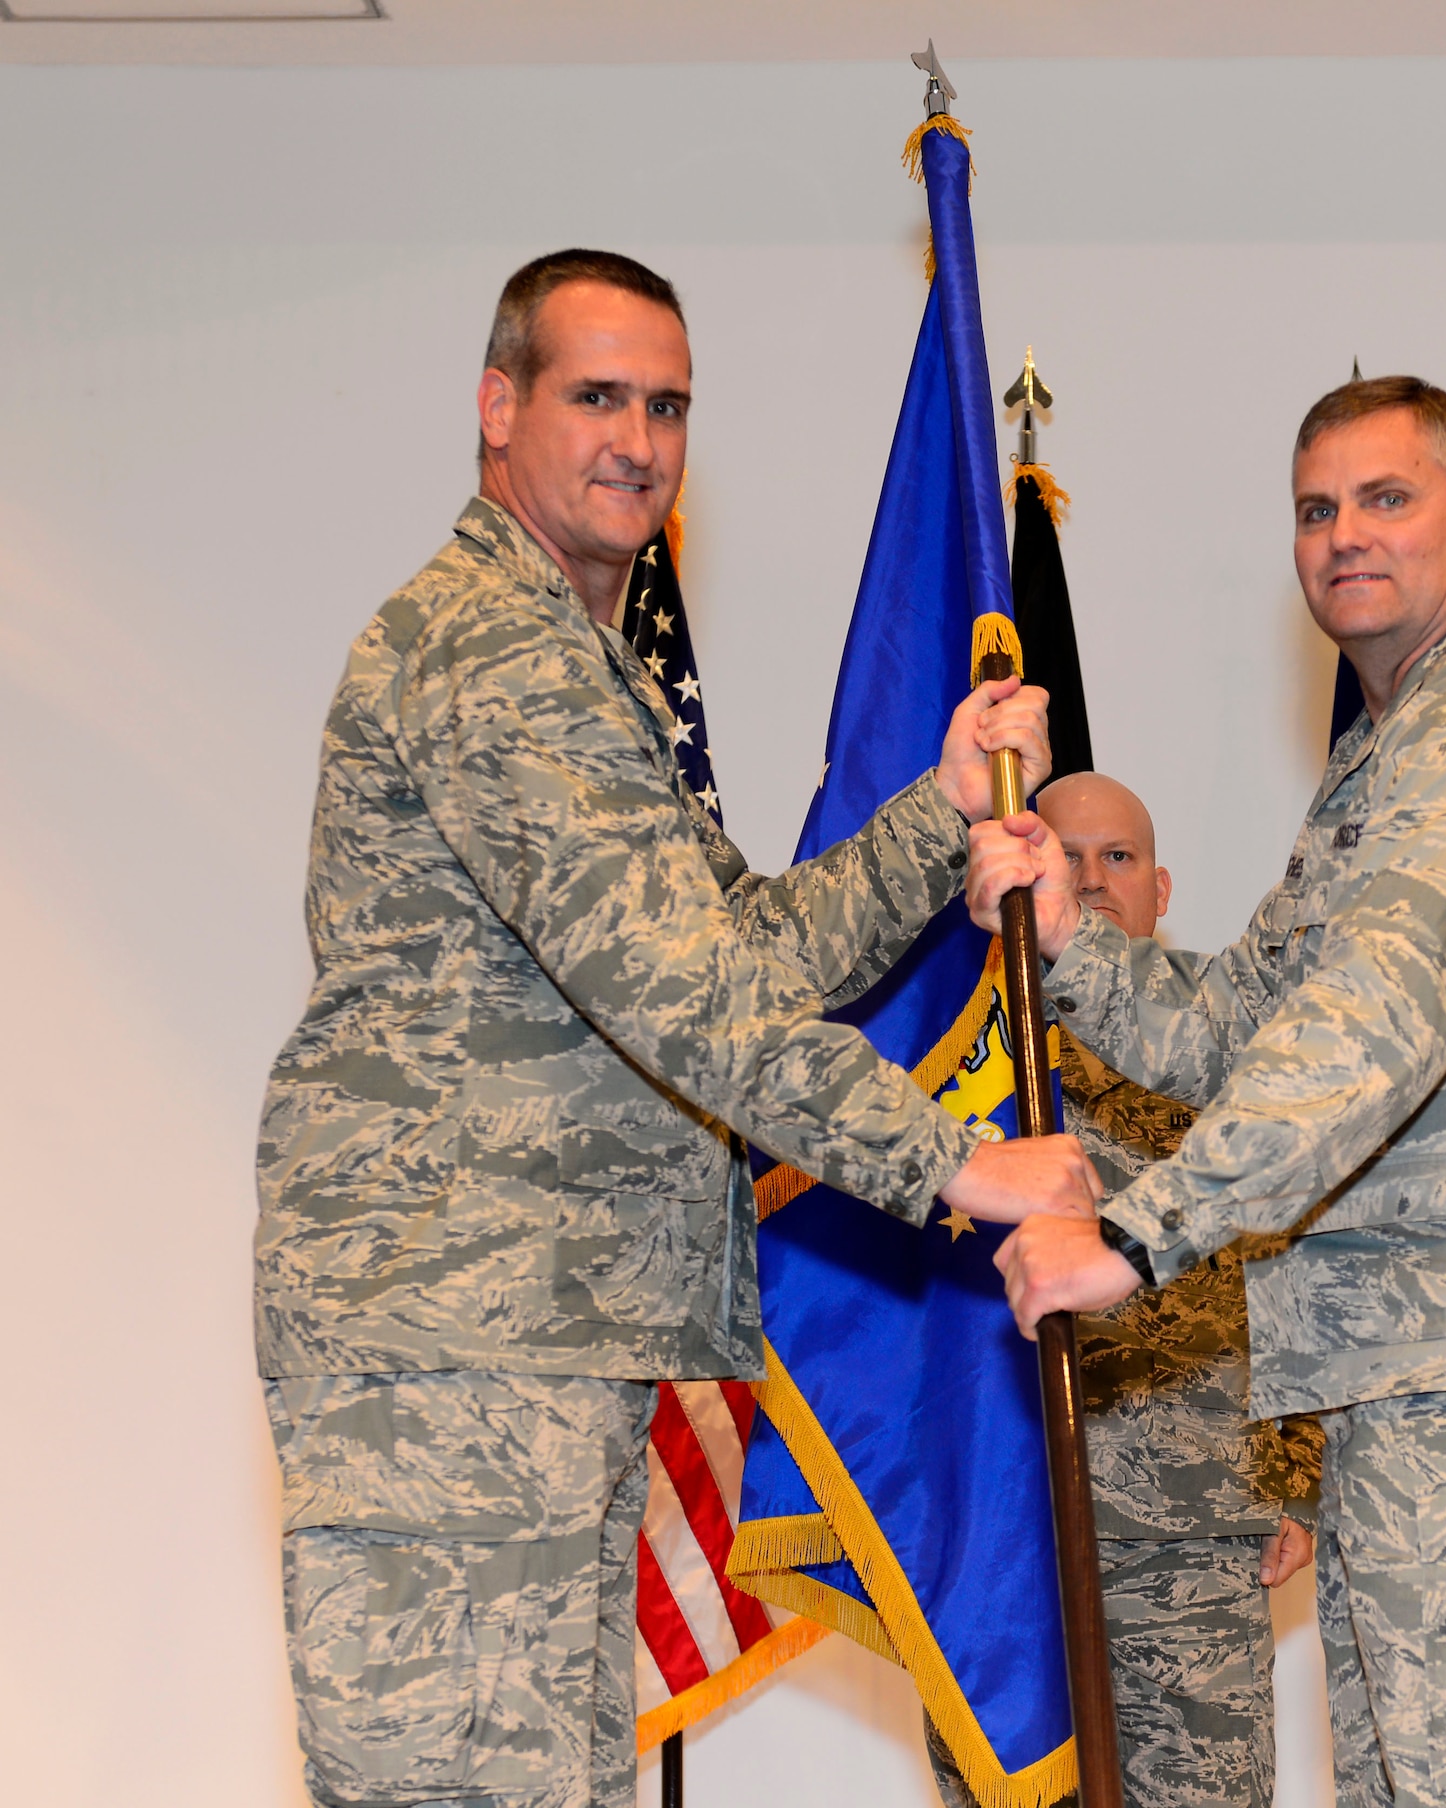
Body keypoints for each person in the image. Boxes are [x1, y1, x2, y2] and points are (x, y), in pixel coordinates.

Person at [254, 248, 1101, 1808]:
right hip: (454, 1344)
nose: (637, 438)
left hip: (539, 1339)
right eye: (595, 396)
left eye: (667, 405)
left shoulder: (586, 673)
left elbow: (747, 950)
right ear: (498, 410)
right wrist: (953, 1165)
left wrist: (931, 816)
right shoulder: (487, 655)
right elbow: (687, 996)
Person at [969, 377, 1446, 1808]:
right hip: (1412, 1388)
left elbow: (1372, 1025)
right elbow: (1249, 1016)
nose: (1345, 535)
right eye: (1316, 508)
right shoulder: (1390, 750)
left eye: (1387, 498)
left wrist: (1134, 1234)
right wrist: (1068, 939)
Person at [925, 772, 1322, 1808]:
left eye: (1119, 858)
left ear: (1160, 886)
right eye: (1069, 853)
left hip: (1190, 1542)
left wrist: (1298, 1472)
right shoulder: (965, 1057)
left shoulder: (1227, 1051)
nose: (1093, 880)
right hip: (1003, 1540)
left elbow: (1294, 1248)